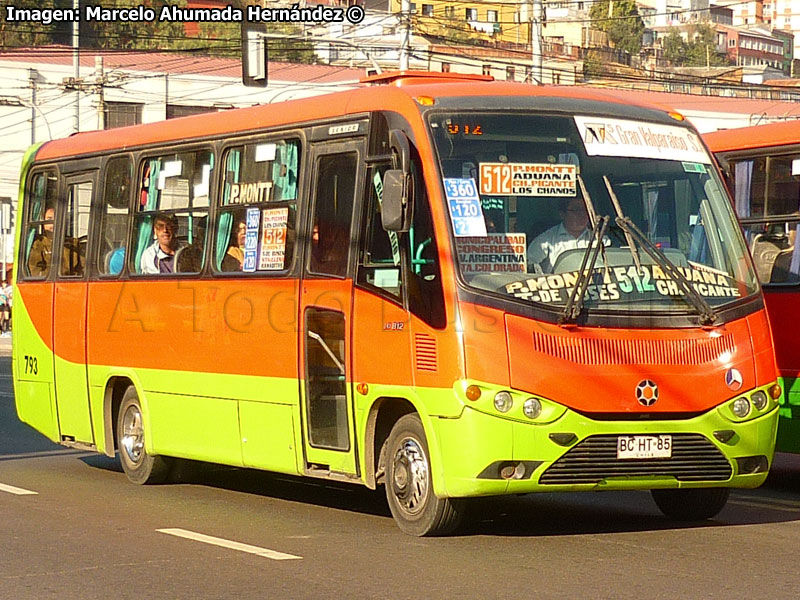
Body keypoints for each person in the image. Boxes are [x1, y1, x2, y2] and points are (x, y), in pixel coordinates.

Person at [527, 196, 605, 274]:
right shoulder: (545, 241)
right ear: (562, 214)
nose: (582, 214)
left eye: (585, 210)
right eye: (576, 210)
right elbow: (528, 266)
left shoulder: (600, 240)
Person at [27, 207, 55, 277]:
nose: (53, 223)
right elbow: (35, 272)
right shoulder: (37, 244)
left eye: (56, 219)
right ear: (43, 223)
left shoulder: (72, 244)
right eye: (49, 219)